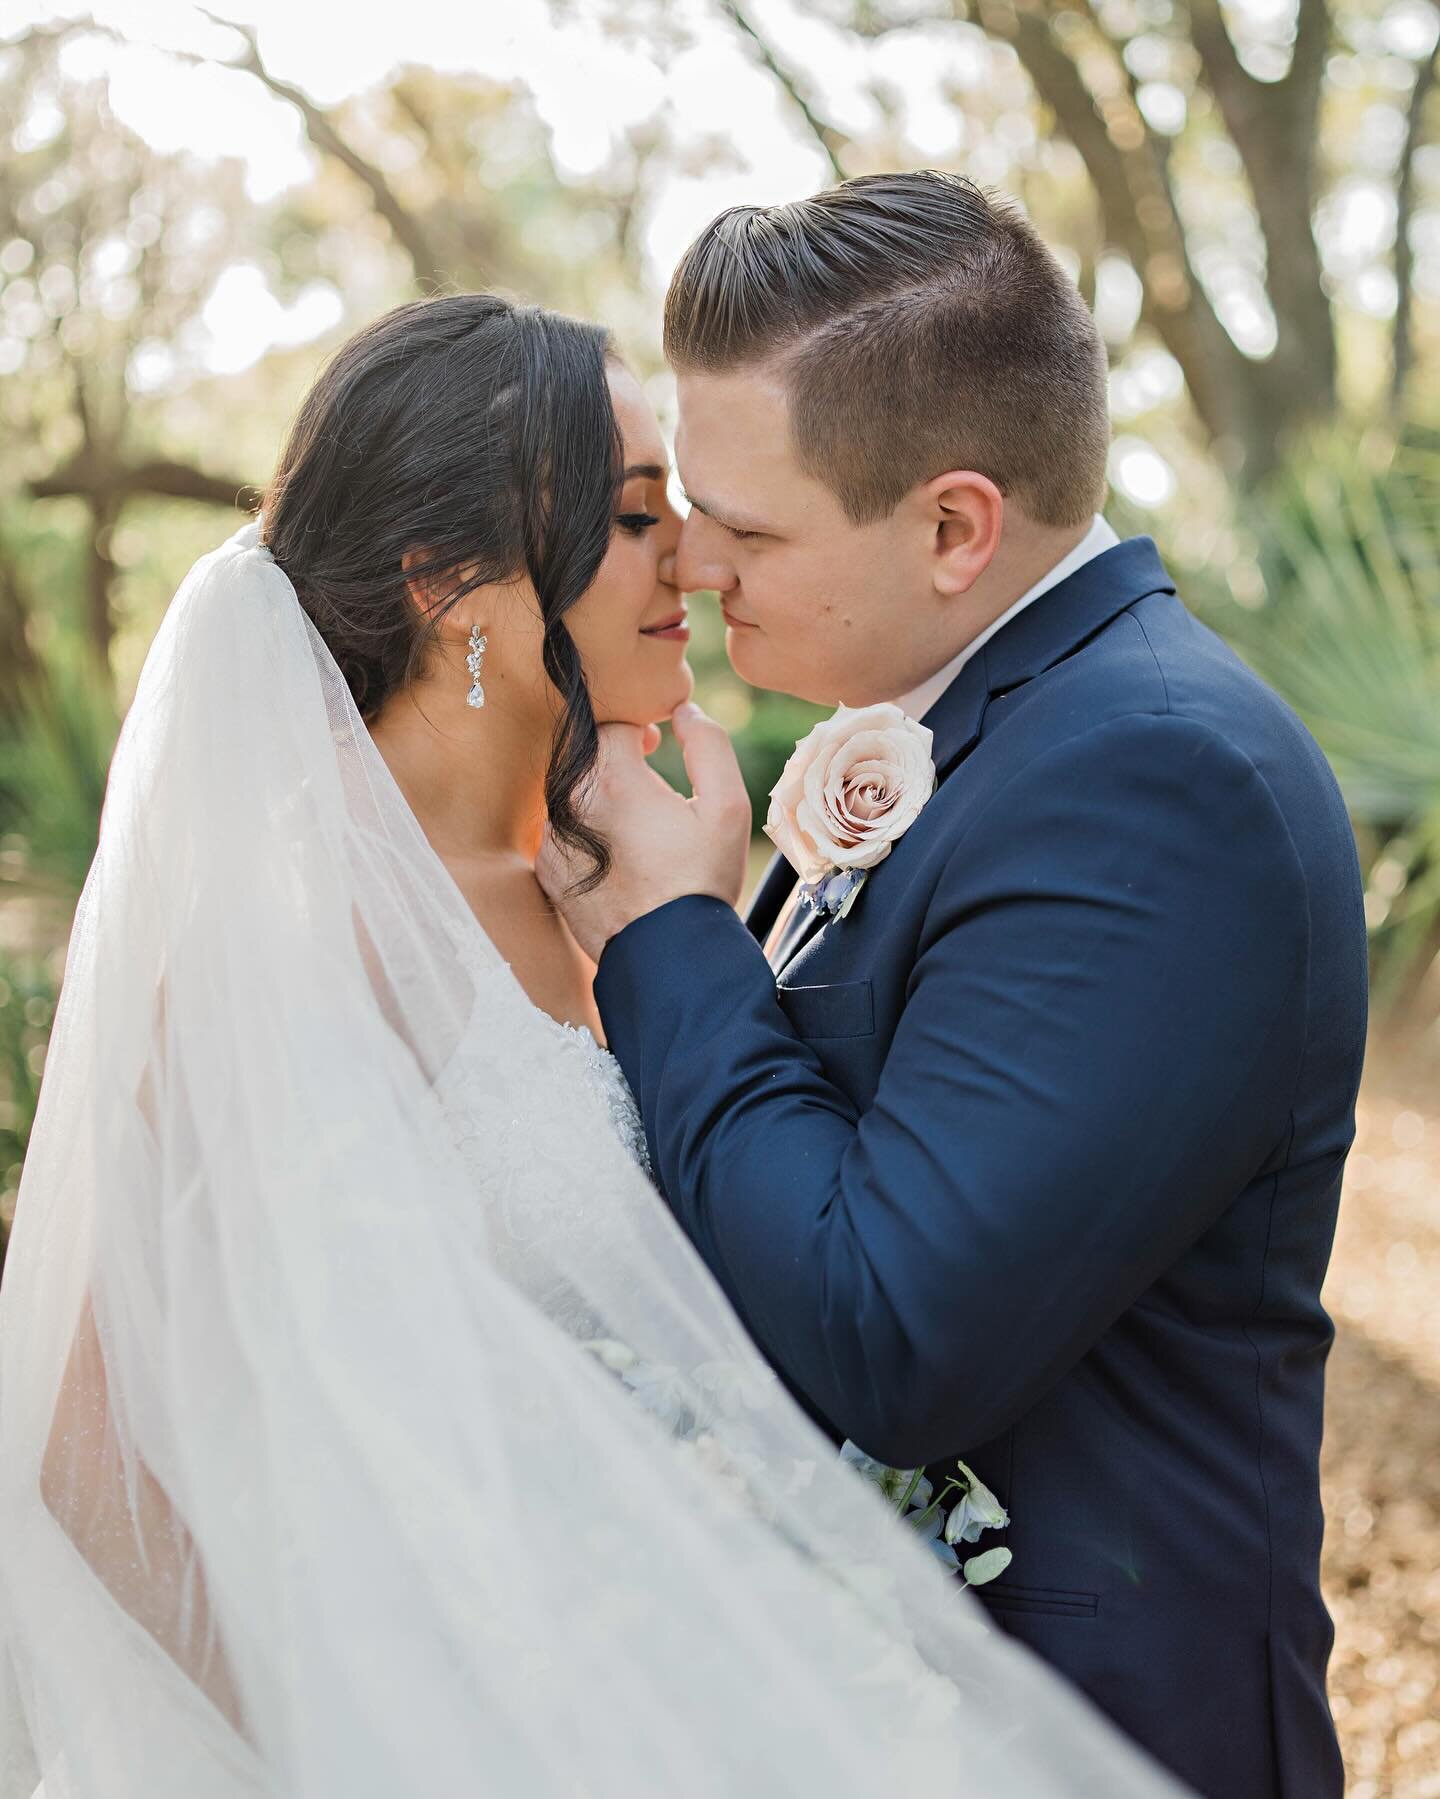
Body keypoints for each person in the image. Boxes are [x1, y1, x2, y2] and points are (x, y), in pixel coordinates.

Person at [0, 293, 1176, 1798]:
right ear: (450, 585)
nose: (694, 558)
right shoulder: (301, 938)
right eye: (635, 518)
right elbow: (88, 1467)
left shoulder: (629, 891)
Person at [541, 172, 1370, 1799]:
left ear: (953, 526)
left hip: (1084, 1733)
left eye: (748, 523)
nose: (695, 562)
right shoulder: (990, 732)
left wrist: (668, 940)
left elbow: (893, 1330)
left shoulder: (1152, 781)